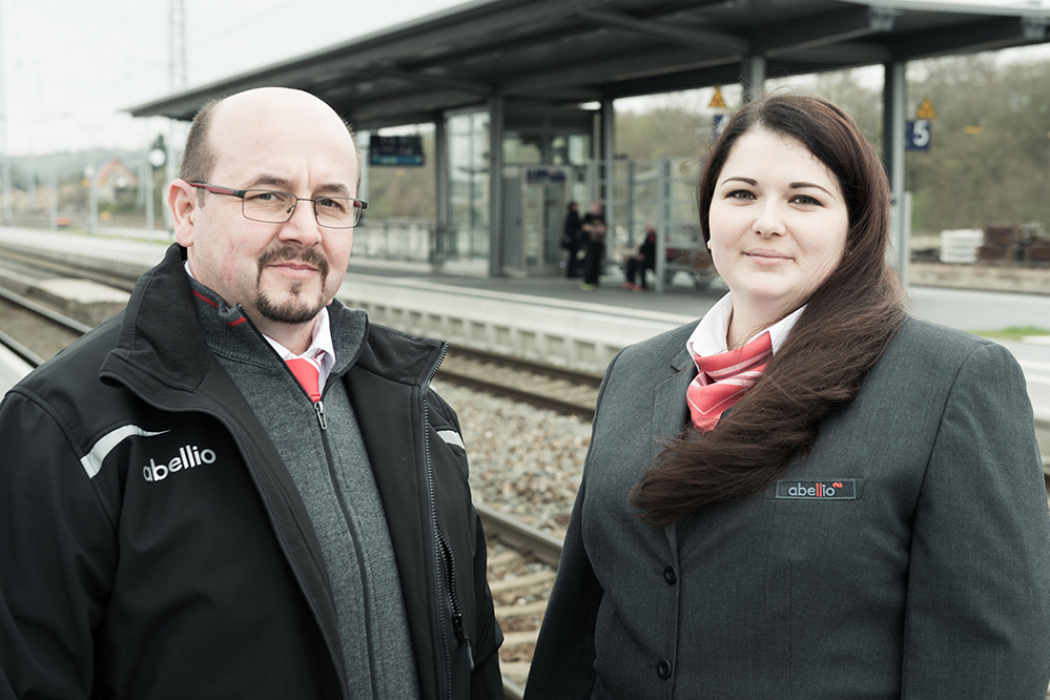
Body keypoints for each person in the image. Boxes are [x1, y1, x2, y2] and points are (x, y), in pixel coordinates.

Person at [525, 92, 1050, 698]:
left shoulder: (952, 382)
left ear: (855, 225)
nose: (766, 221)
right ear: (709, 214)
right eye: (741, 194)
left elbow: (985, 658)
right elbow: (577, 621)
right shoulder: (636, 372)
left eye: (804, 199)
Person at [0, 87, 503, 700]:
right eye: (269, 197)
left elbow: (476, 658)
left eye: (331, 202)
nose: (305, 230)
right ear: (186, 211)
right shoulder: (71, 428)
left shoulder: (421, 413)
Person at [579, 200, 607, 290]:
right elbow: (584, 227)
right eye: (595, 207)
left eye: (598, 208)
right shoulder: (587, 216)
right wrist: (596, 229)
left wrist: (601, 229)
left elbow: (605, 227)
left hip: (598, 243)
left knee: (597, 263)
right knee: (589, 263)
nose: (597, 209)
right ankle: (587, 281)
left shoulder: (601, 217)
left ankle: (595, 281)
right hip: (589, 243)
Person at [623, 224, 656, 291]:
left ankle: (640, 283)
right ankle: (630, 281)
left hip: (652, 258)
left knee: (639, 265)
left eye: (648, 227)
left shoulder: (654, 237)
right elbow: (643, 247)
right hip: (643, 256)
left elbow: (652, 249)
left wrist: (643, 255)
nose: (646, 228)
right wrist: (638, 254)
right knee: (631, 262)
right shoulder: (646, 236)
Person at [562, 200, 583, 278]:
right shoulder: (572, 215)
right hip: (573, 241)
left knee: (573, 256)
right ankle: (571, 272)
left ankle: (572, 272)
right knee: (572, 257)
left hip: (574, 240)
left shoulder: (574, 214)